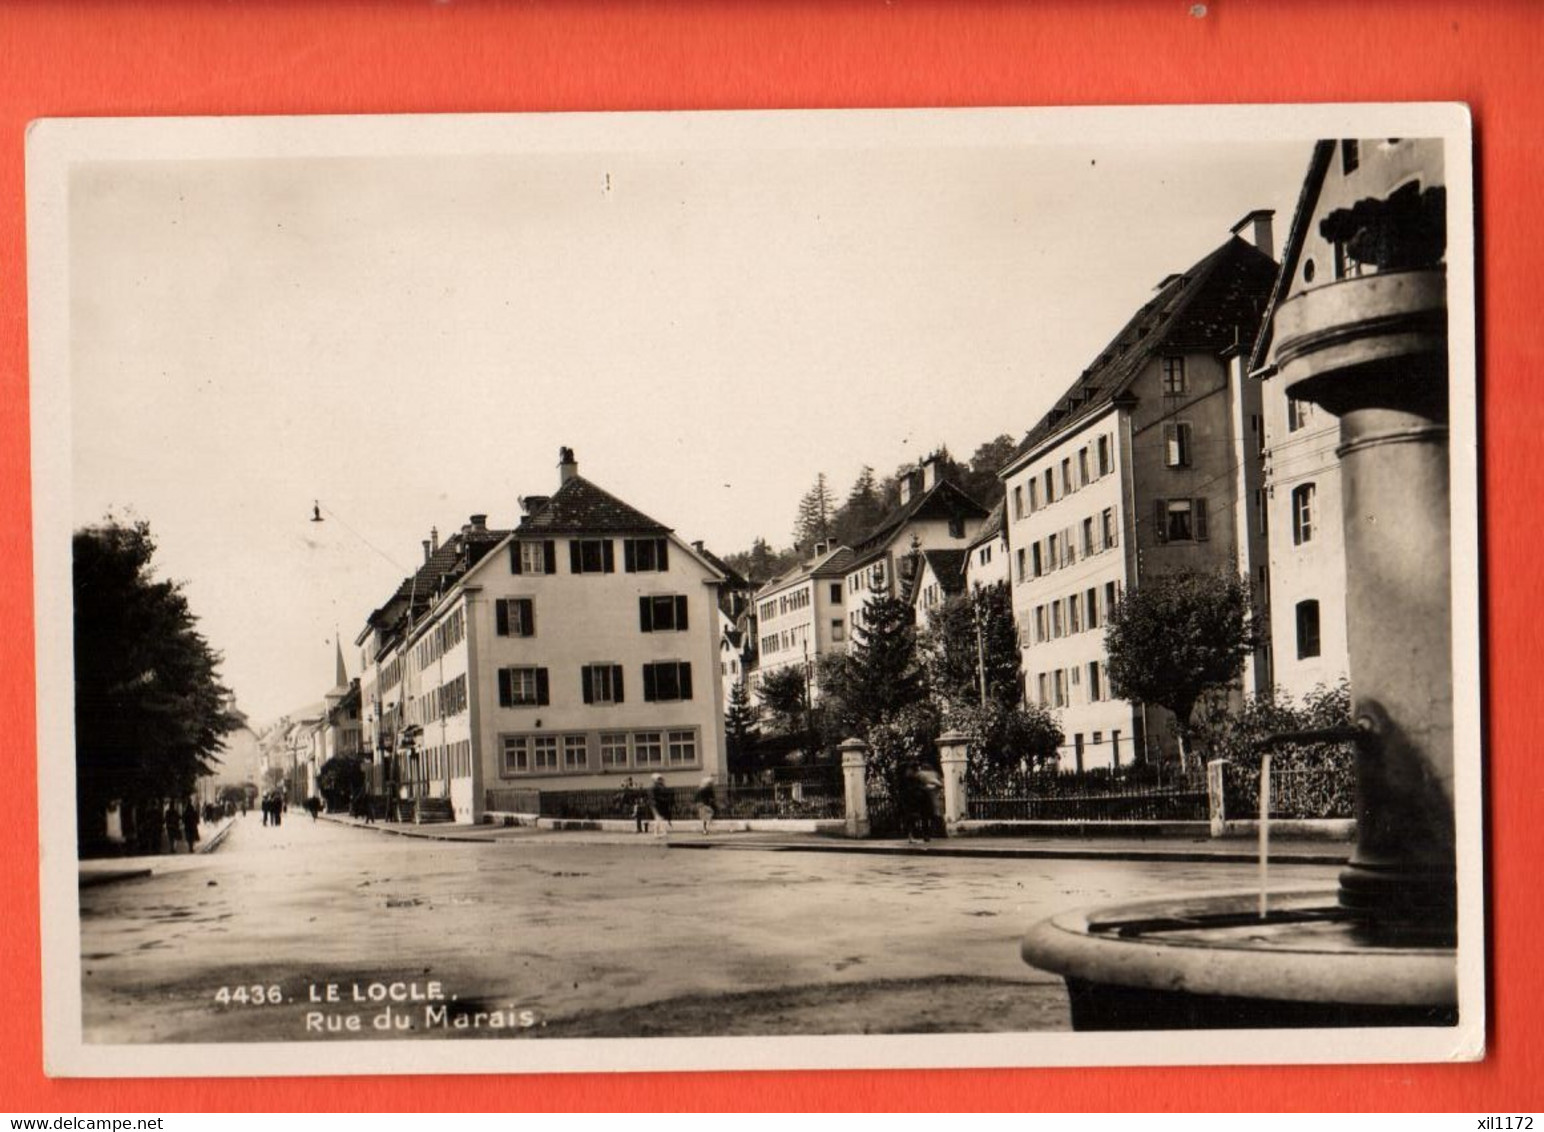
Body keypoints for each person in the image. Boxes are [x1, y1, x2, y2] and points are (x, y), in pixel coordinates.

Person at [648, 774, 672, 839]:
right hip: (655, 805)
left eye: (661, 779)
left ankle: (657, 833)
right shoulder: (653, 788)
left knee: (658, 819)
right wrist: (654, 803)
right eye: (659, 779)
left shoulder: (663, 787)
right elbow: (652, 797)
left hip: (661, 805)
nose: (660, 780)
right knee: (658, 818)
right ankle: (662, 832)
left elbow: (667, 795)